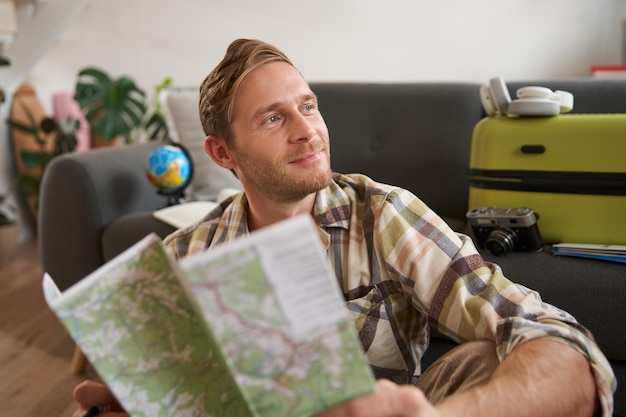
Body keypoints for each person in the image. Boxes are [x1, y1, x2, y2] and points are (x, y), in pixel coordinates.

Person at [72, 38, 615, 417]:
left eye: (308, 106)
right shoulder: (183, 254)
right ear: (222, 152)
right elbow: (105, 375)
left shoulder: (383, 214)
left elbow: (558, 338)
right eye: (273, 117)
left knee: (493, 356)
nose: (308, 131)